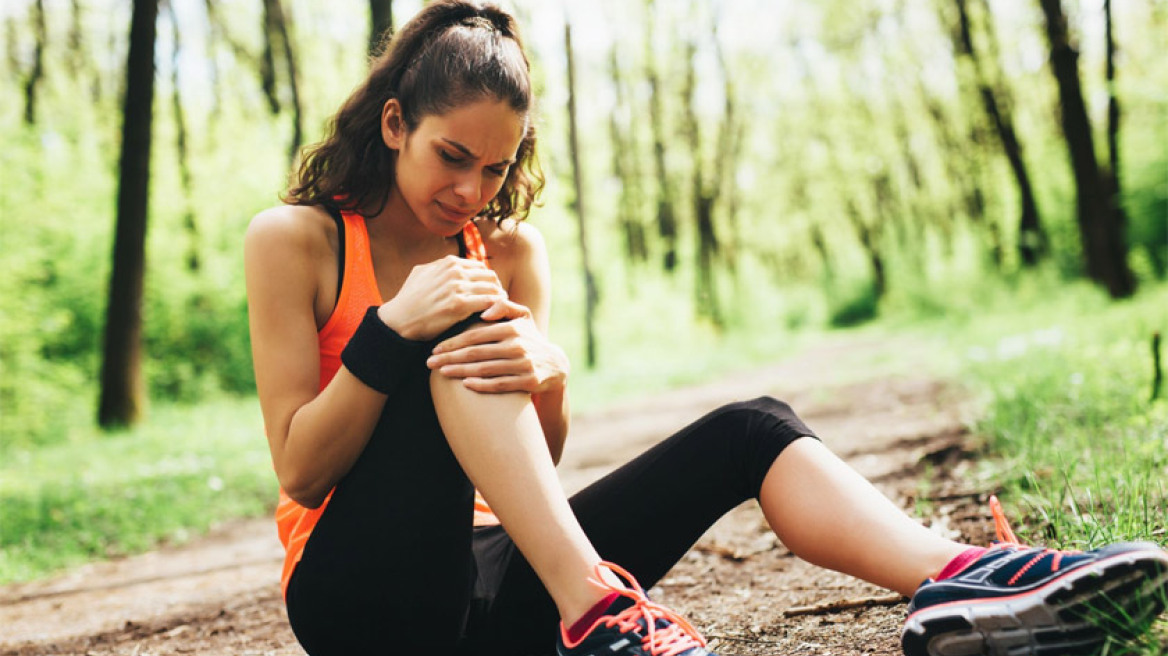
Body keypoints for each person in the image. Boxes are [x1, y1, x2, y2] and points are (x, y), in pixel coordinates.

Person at [244, 2, 1168, 654]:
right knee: (456, 344)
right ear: (397, 122)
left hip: (498, 591)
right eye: (452, 157)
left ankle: (970, 582)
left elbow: (532, 466)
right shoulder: (300, 240)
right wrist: (391, 331)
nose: (470, 191)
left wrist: (550, 377)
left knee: (753, 427)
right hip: (358, 597)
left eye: (495, 168)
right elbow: (300, 468)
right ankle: (604, 614)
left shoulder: (510, 254)